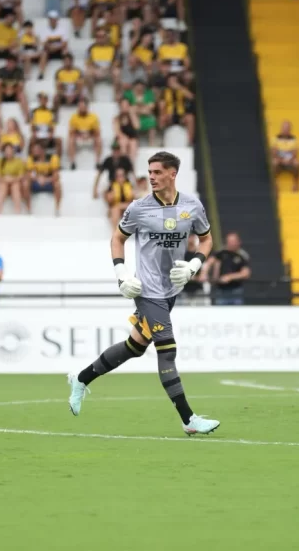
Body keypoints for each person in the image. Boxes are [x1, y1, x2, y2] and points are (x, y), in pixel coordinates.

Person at [67, 151, 220, 436]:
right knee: (168, 349)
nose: (151, 177)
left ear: (173, 174)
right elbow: (117, 238)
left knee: (135, 348)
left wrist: (194, 265)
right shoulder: (139, 208)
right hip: (147, 290)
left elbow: (207, 238)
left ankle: (81, 378)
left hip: (172, 289)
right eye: (149, 172)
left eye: (157, 172)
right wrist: (121, 274)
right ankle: (188, 418)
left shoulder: (192, 206)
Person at [206, 232, 251, 305]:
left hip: (235, 290)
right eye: (229, 241)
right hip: (221, 290)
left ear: (238, 242)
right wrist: (205, 273)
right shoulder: (221, 253)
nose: (230, 244)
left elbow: (245, 273)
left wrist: (230, 277)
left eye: (233, 241)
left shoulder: (242, 255)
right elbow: (209, 263)